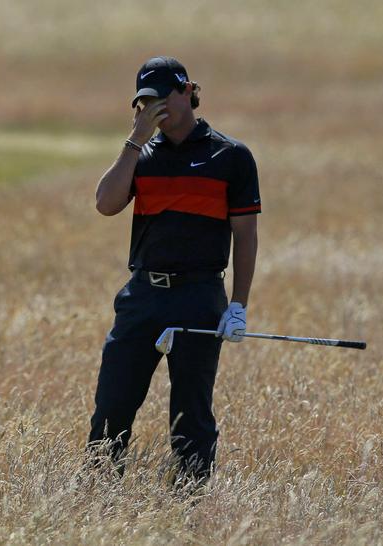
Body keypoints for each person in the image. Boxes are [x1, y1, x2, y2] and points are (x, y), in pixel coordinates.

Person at [88, 56, 261, 484]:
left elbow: (246, 236)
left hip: (198, 297)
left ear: (187, 92)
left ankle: (191, 504)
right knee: (112, 404)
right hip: (143, 294)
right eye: (145, 103)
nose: (154, 111)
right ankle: (96, 500)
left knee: (191, 414)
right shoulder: (141, 154)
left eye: (162, 99)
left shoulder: (231, 156)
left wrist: (237, 305)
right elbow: (106, 204)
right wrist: (133, 141)